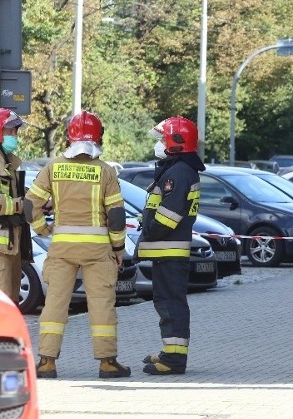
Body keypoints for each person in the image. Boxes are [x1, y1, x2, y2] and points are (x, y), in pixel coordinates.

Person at [24, 110, 130, 379]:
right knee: (102, 303)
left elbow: (29, 205)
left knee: (55, 304)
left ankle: (47, 362)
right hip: (98, 250)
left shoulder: (54, 167)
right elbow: (116, 217)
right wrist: (118, 249)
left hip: (62, 249)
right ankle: (107, 363)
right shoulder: (105, 171)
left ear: (69, 137)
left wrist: (44, 229)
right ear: (99, 137)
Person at [137, 117, 204, 375]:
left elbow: (168, 216)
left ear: (176, 142)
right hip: (167, 251)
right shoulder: (179, 169)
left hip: (169, 250)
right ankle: (170, 351)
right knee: (167, 303)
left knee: (170, 305)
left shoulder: (178, 173)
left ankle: (174, 360)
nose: (159, 143)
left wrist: (148, 231)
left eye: (163, 139)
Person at [0, 109, 30, 304]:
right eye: (10, 132)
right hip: (3, 249)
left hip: (10, 244)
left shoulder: (8, 162)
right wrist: (23, 205)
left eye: (16, 132)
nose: (14, 137)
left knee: (10, 302)